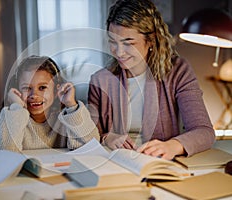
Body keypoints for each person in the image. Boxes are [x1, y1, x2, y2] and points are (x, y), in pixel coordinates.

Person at [88, 0, 215, 160]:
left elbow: (204, 132)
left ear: (151, 41)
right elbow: (89, 137)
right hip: (114, 162)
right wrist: (106, 137)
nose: (119, 52)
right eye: (113, 42)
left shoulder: (178, 71)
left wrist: (173, 145)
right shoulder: (100, 80)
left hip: (159, 164)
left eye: (128, 43)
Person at [0, 55, 99, 152]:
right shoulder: (12, 117)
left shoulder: (67, 118)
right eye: (27, 88)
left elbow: (90, 145)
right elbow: (4, 151)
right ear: (17, 91)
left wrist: (72, 106)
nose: (34, 95)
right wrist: (16, 107)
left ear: (56, 91)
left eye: (42, 88)